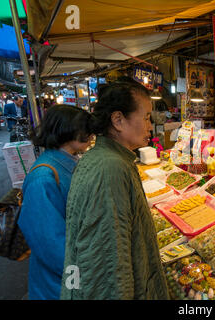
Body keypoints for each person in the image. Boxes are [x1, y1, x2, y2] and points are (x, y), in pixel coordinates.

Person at [60, 80, 169, 300]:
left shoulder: (109, 158)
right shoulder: (110, 168)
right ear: (118, 120)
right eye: (146, 117)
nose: (150, 126)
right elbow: (109, 268)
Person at [18, 105, 94, 300]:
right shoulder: (43, 178)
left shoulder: (68, 163)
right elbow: (52, 246)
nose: (91, 134)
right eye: (86, 129)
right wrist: (87, 278)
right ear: (70, 130)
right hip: (58, 287)